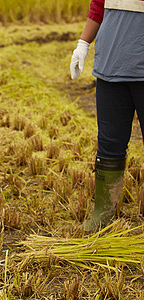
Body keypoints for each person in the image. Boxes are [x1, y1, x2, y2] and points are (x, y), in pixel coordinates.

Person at [70, 0, 144, 232]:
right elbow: (98, 6)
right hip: (111, 66)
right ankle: (103, 212)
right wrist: (83, 43)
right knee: (109, 143)